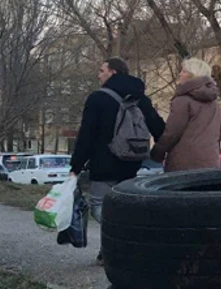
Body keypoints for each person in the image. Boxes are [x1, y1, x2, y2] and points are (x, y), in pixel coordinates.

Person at [69, 57, 165, 264]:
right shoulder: (140, 98)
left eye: (101, 70)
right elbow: (158, 127)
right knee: (122, 206)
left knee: (99, 207)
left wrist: (76, 166)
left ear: (113, 72)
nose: (98, 75)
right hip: (132, 162)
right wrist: (163, 151)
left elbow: (87, 135)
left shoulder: (98, 98)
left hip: (103, 163)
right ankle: (108, 251)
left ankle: (126, 238)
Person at [150, 58, 221, 172]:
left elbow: (172, 132)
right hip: (211, 162)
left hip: (184, 163)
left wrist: (157, 152)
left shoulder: (182, 101)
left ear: (193, 75)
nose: (180, 74)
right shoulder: (214, 102)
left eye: (184, 71)